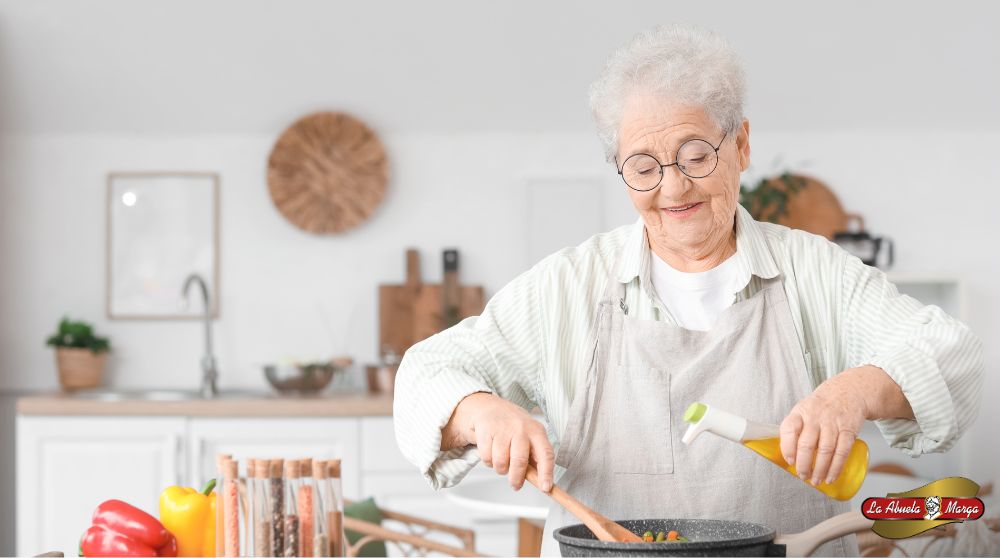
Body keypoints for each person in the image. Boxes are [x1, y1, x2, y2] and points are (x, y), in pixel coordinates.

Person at [393, 24, 983, 556]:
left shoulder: (816, 273)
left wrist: (855, 392)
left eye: (695, 155)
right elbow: (427, 372)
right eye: (643, 167)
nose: (673, 188)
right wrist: (479, 411)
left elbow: (954, 356)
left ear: (741, 146)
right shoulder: (567, 286)